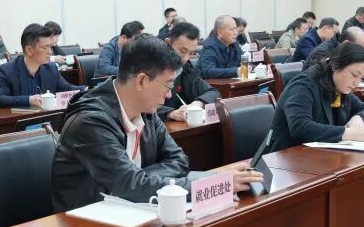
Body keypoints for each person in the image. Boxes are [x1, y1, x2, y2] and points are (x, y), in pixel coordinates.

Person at [51, 35, 263, 211]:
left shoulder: (146, 111)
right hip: (85, 225)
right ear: (142, 81)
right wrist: (212, 182)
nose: (169, 95)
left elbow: (179, 161)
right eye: (168, 85)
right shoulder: (90, 121)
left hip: (131, 211)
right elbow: (132, 185)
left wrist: (142, 179)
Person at [270, 43, 364, 151]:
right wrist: (348, 133)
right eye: (354, 75)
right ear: (335, 66)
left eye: (362, 78)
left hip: (320, 153)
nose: (357, 83)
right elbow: (300, 127)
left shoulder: (339, 84)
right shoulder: (304, 85)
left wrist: (359, 118)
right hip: (287, 154)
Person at [0, 23, 81, 108]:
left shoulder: (51, 68)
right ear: (29, 50)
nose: (50, 52)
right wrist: (29, 100)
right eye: (45, 47)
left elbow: (67, 88)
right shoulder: (6, 71)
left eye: (50, 47)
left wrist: (86, 89)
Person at [158, 22, 220, 121]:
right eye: (182, 51)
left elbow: (213, 93)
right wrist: (169, 113)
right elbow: (142, 103)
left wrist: (197, 104)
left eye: (191, 53)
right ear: (168, 43)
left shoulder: (187, 69)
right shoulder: (152, 68)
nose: (185, 58)